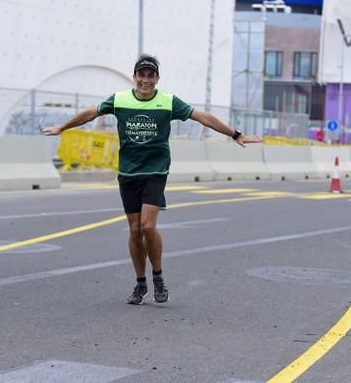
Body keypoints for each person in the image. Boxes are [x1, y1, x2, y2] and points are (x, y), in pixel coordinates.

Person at [44, 54, 262, 305]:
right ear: (135, 77)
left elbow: (202, 117)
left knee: (148, 227)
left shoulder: (168, 102)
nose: (145, 80)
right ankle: (140, 283)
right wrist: (63, 127)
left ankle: (157, 276)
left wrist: (235, 134)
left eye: (151, 75)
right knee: (135, 231)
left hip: (156, 171)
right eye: (141, 75)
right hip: (128, 173)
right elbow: (91, 114)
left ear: (157, 79)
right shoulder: (120, 99)